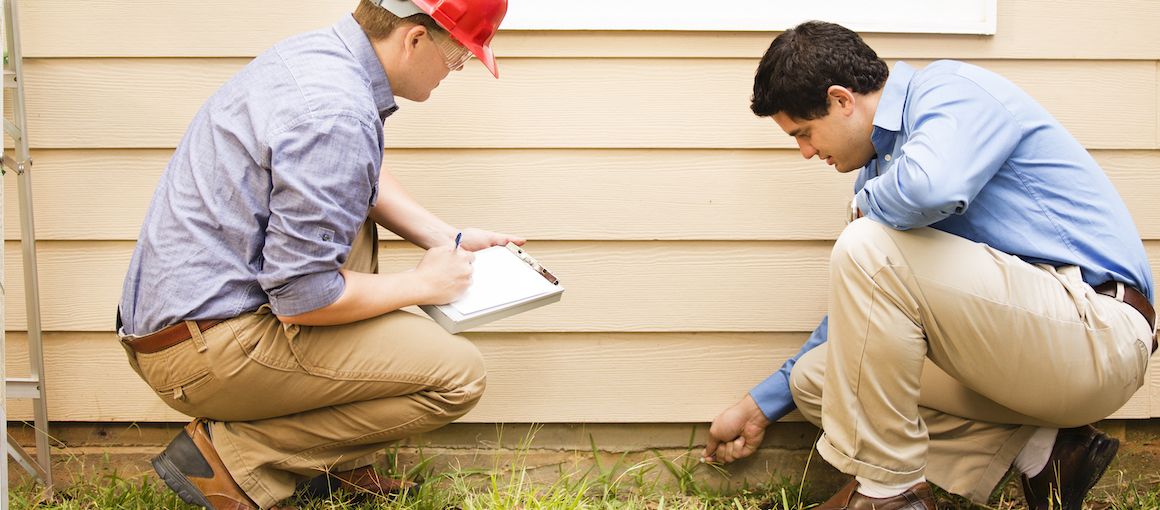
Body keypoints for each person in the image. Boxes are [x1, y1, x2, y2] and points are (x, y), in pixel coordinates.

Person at [702, 21, 1155, 510]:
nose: (807, 151)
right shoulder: (880, 184)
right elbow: (863, 319)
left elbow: (933, 188)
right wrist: (759, 407)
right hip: (1028, 355)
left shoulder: (949, 92)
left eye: (804, 133)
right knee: (818, 378)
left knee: (866, 245)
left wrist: (864, 213)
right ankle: (1045, 452)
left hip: (1096, 332)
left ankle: (889, 495)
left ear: (841, 99)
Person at [116, 1, 515, 508]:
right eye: (457, 58)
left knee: (348, 226)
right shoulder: (336, 111)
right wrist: (423, 285)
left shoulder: (319, 58)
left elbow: (352, 177)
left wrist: (446, 239)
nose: (455, 72)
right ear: (414, 39)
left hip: (184, 325)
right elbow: (304, 297)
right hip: (205, 351)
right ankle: (233, 457)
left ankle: (336, 470)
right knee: (459, 376)